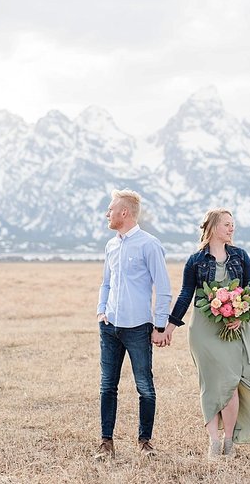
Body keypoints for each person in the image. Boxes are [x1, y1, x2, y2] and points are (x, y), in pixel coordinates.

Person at [163, 208, 250, 459]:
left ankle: (229, 440)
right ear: (213, 227)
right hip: (204, 330)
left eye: (232, 224)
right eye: (227, 224)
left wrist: (240, 315)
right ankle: (213, 442)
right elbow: (185, 296)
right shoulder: (195, 260)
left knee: (232, 384)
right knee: (211, 384)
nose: (231, 228)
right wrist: (169, 327)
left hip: (236, 329)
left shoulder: (241, 256)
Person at [94, 189, 172, 460]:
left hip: (139, 327)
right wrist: (101, 311)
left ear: (124, 213)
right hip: (110, 326)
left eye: (110, 209)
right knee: (107, 386)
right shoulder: (111, 245)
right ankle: (106, 443)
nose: (107, 214)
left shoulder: (149, 244)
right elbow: (106, 282)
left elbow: (163, 288)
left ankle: (145, 442)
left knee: (145, 387)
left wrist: (160, 326)